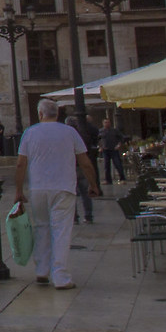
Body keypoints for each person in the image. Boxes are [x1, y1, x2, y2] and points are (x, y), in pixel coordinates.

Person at [14, 101, 97, 290]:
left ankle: (42, 271)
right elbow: (84, 161)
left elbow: (20, 164)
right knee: (61, 230)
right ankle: (61, 276)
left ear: (40, 114)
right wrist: (93, 184)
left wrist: (19, 190)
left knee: (42, 227)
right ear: (57, 115)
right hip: (63, 187)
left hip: (38, 189)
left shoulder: (30, 133)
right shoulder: (70, 132)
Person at [99, 118, 127, 184]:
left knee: (118, 164)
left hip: (114, 150)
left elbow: (121, 138)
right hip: (105, 150)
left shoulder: (114, 131)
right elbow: (97, 139)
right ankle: (108, 180)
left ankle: (122, 178)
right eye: (105, 122)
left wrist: (119, 145)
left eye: (108, 122)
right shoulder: (100, 131)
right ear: (103, 123)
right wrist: (100, 147)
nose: (107, 124)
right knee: (106, 166)